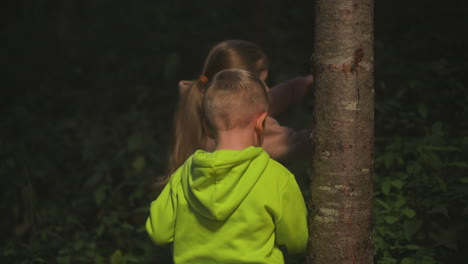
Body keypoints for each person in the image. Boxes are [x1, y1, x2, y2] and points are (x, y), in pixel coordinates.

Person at [146, 69, 309, 264]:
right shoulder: (278, 178)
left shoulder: (184, 176)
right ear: (261, 122)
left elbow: (159, 233)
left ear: (206, 127)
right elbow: (297, 242)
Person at [163, 40, 313, 188]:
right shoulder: (246, 132)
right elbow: (294, 143)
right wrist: (329, 136)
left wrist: (299, 86)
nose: (267, 89)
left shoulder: (202, 105)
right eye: (262, 82)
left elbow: (268, 99)